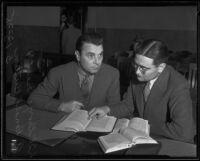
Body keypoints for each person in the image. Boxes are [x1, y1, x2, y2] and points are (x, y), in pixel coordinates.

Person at [89, 39, 195, 143]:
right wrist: (107, 109)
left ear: (161, 67)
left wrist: (145, 127)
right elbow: (128, 106)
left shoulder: (178, 85)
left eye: (143, 68)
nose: (137, 72)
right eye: (135, 64)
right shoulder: (137, 77)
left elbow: (184, 132)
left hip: (171, 142)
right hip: (144, 138)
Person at [27, 33, 120, 113]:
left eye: (100, 55)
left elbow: (116, 108)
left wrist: (107, 110)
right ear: (78, 56)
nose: (97, 61)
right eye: (91, 56)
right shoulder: (58, 73)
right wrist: (61, 106)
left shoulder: (112, 74)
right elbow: (33, 99)